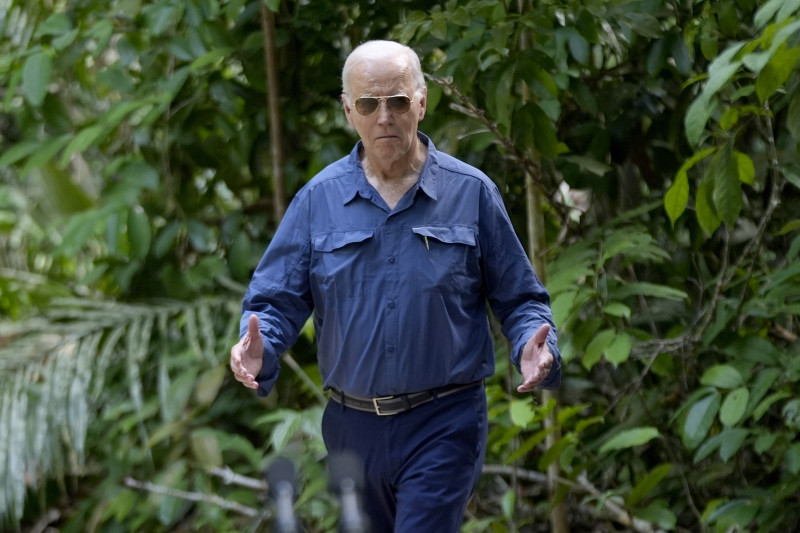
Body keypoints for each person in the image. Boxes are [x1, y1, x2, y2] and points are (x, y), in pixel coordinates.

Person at [230, 39, 562, 533]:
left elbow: (520, 300)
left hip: (444, 421)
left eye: (398, 101)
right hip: (352, 427)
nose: (384, 116)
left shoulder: (471, 192)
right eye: (369, 103)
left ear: (421, 103)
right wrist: (259, 347)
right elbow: (275, 303)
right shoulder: (317, 200)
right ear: (349, 111)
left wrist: (535, 346)